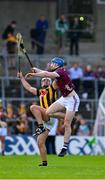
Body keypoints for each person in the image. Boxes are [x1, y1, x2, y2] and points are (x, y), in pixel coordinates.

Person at [25, 57, 80, 157]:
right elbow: (46, 72)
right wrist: (36, 70)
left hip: (72, 99)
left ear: (57, 65)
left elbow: (47, 74)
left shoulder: (60, 72)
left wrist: (34, 74)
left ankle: (64, 147)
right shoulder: (58, 71)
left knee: (67, 124)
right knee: (48, 112)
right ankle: (69, 117)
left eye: (52, 63)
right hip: (64, 98)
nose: (51, 65)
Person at [17, 72, 58, 166]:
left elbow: (56, 77)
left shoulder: (52, 88)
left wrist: (37, 73)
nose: (45, 81)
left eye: (48, 80)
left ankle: (40, 126)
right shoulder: (41, 92)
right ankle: (44, 163)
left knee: (33, 107)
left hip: (50, 115)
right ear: (41, 83)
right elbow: (29, 88)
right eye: (44, 80)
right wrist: (22, 78)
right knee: (40, 142)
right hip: (47, 120)